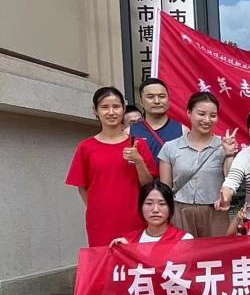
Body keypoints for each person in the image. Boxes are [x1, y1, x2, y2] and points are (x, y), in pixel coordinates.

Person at [66, 86, 156, 247]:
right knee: (104, 260)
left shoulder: (138, 144)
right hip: (101, 223)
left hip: (135, 220)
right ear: (95, 111)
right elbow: (82, 187)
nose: (111, 112)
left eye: (116, 106)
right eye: (105, 107)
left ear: (123, 109)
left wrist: (138, 161)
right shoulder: (86, 147)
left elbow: (148, 183)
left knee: (135, 261)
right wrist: (98, 210)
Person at [158, 92, 237, 238]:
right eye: (201, 114)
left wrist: (229, 154)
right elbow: (165, 189)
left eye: (213, 115)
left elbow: (231, 180)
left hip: (215, 213)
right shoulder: (170, 148)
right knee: (182, 251)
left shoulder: (224, 145)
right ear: (189, 113)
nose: (207, 120)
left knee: (216, 251)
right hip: (179, 212)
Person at [130, 78, 184, 160]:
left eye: (162, 96)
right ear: (141, 102)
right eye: (150, 97)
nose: (157, 101)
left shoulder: (183, 130)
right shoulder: (129, 132)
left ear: (169, 100)